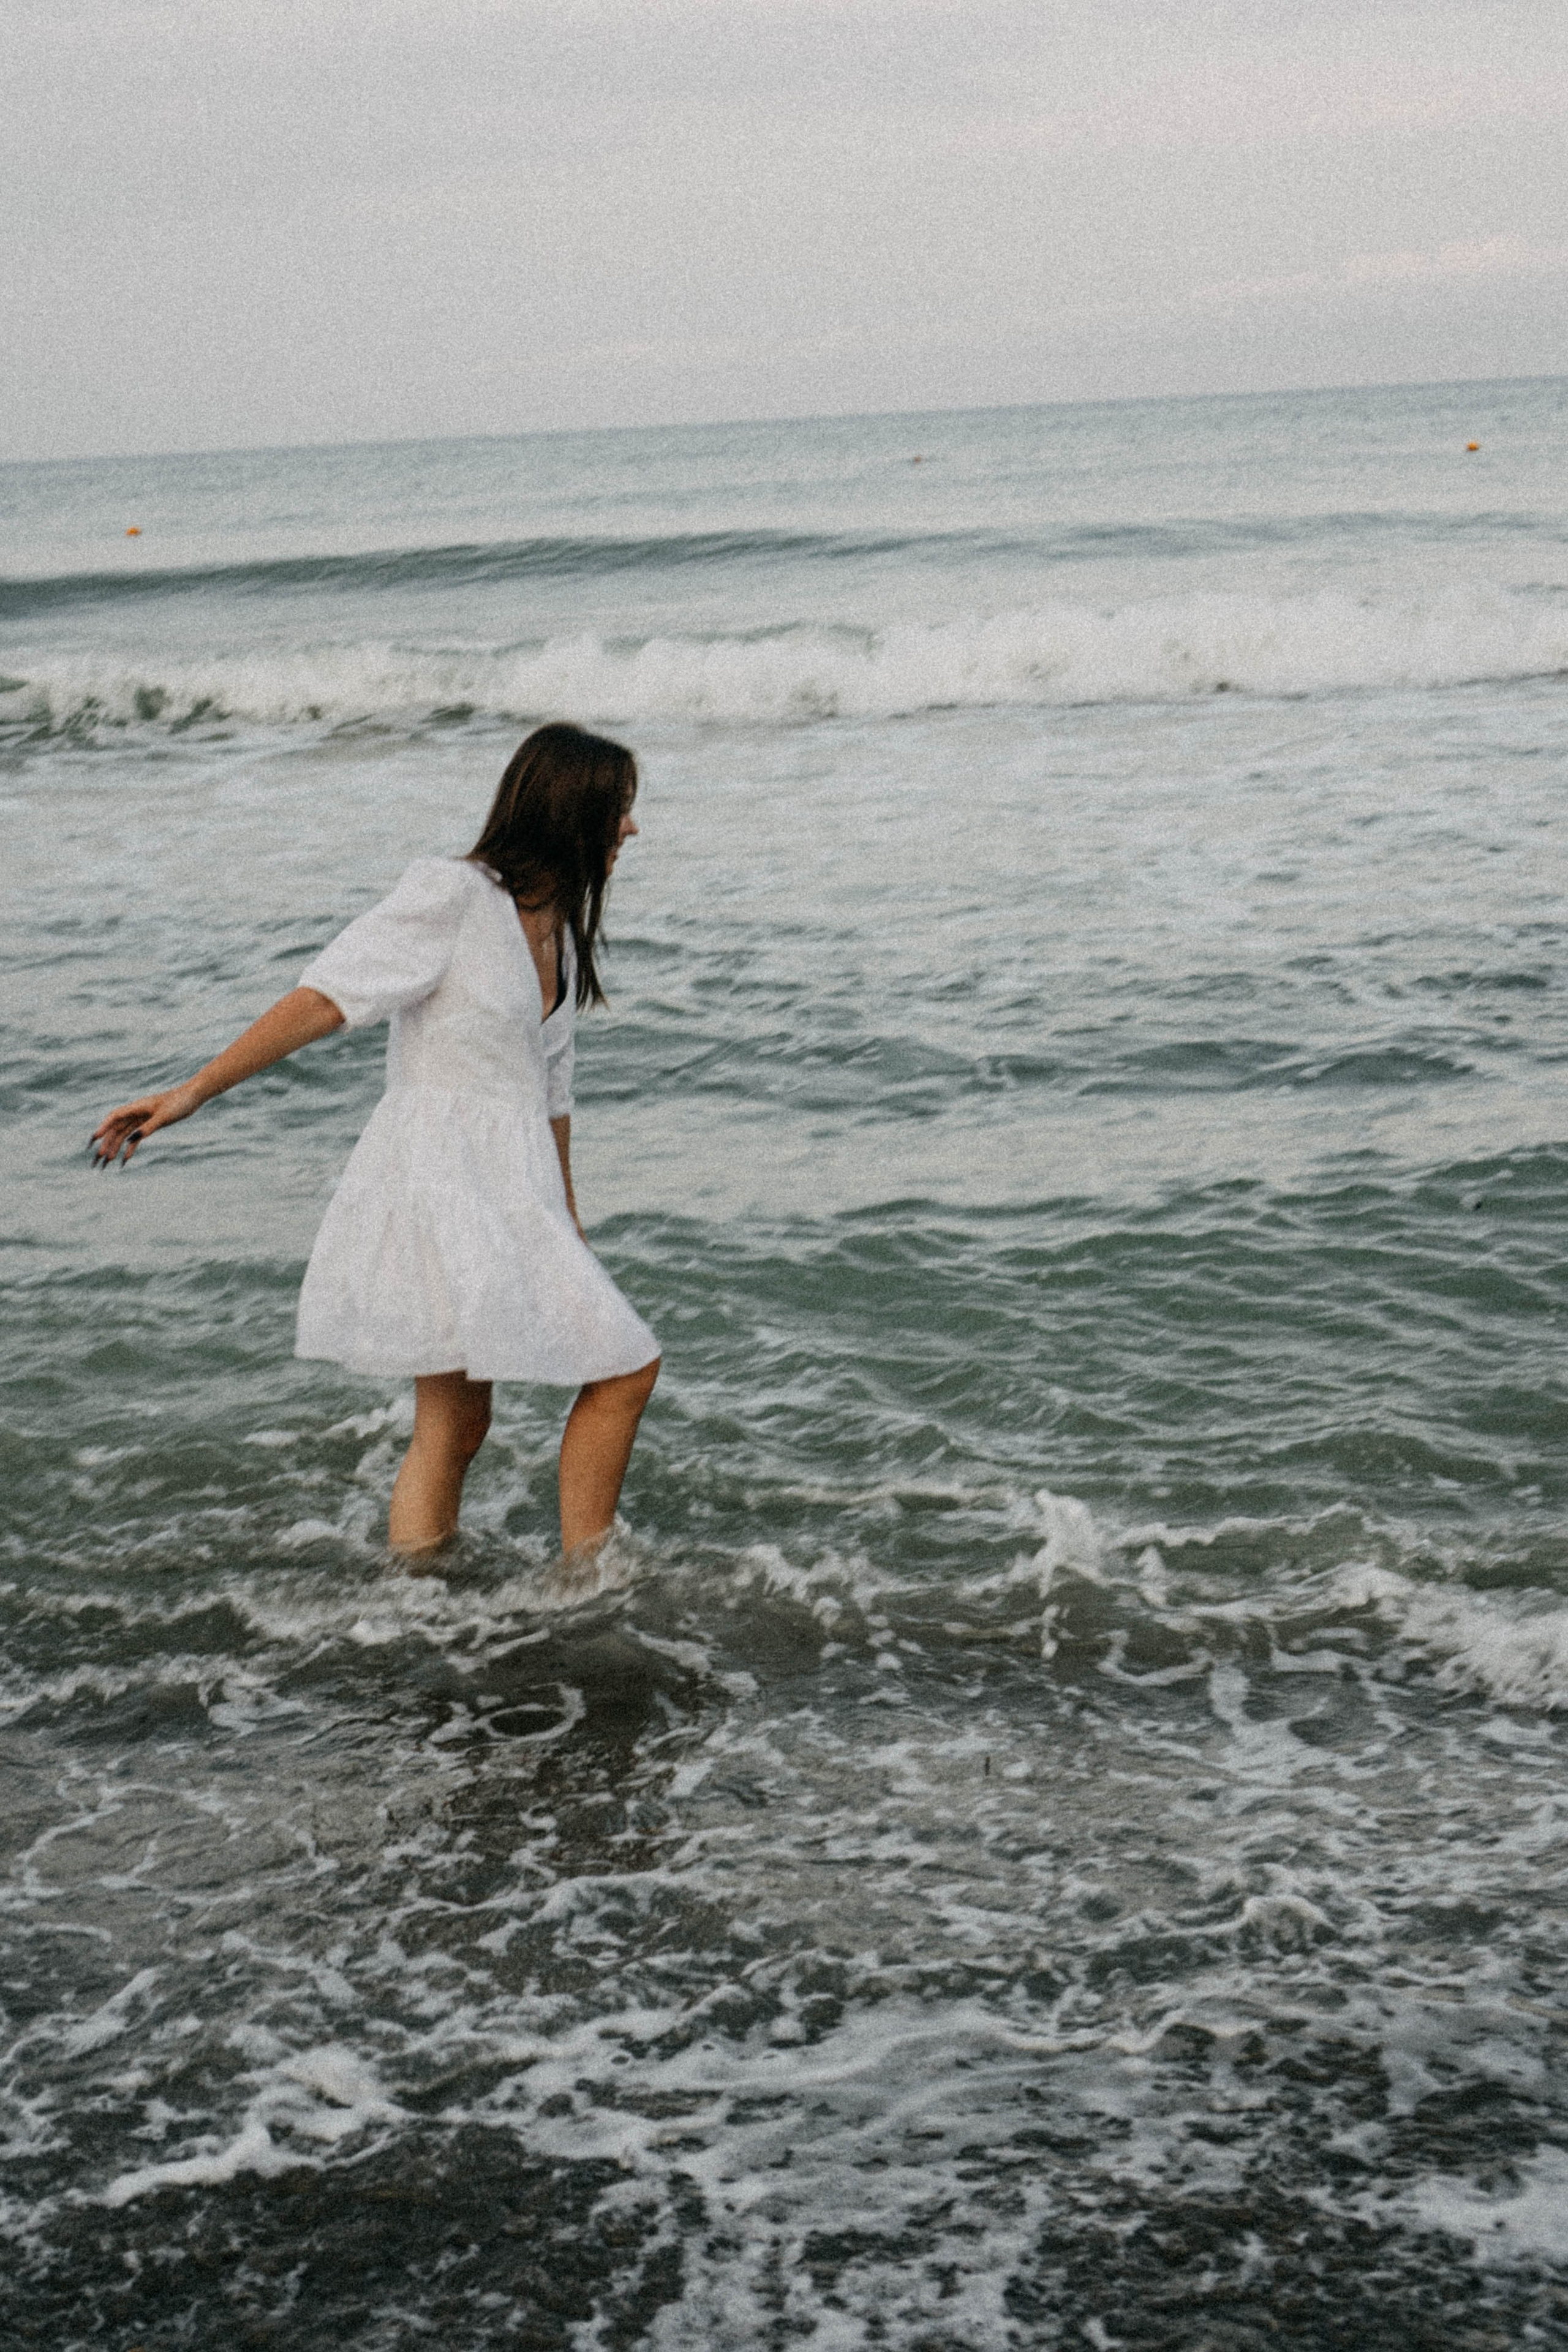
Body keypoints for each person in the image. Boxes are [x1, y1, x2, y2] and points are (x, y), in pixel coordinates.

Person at [90, 722, 661, 1561]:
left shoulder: (559, 933)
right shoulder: (455, 896)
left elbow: (552, 1092)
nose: (630, 830)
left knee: (473, 1414)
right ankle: (575, 1578)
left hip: (514, 1188)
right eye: (619, 810)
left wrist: (565, 1216)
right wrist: (195, 1090)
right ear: (568, 809)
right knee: (601, 1373)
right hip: (439, 1178)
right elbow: (329, 997)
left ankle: (448, 1590)